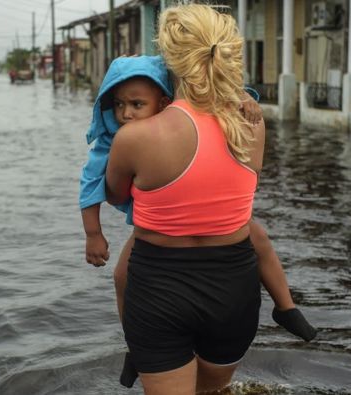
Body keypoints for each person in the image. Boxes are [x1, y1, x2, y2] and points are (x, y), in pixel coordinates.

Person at [103, 5, 316, 394]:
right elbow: (236, 195)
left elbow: (115, 193)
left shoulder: (134, 137)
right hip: (232, 289)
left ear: (171, 61)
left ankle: (138, 349)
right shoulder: (251, 123)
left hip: (158, 288)